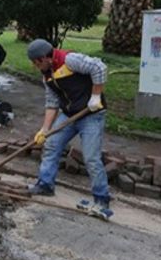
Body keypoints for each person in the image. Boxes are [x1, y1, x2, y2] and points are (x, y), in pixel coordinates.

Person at [25, 38, 111, 219]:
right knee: (51, 144)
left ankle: (101, 199)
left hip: (91, 115)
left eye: (35, 63)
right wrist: (44, 129)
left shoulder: (70, 60)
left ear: (43, 58)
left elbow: (99, 68)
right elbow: (52, 102)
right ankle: (45, 185)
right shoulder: (47, 75)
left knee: (91, 158)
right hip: (69, 115)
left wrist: (95, 97)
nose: (35, 66)